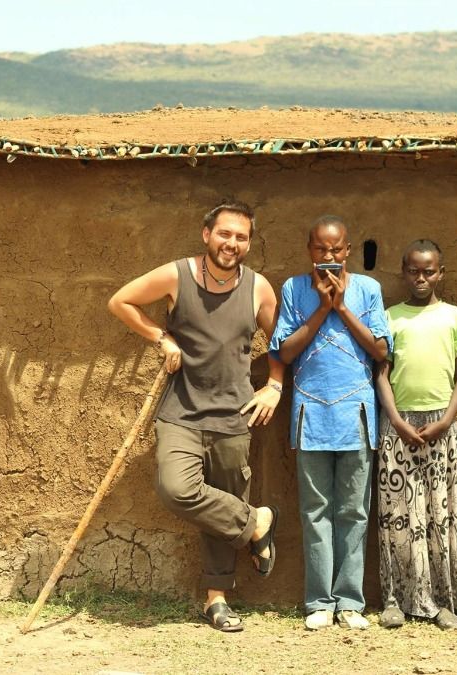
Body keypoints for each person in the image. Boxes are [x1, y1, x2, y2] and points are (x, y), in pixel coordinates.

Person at [108, 201, 285, 633]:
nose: (232, 243)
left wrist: (275, 385)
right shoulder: (177, 275)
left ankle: (216, 600)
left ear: (248, 242)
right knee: (176, 488)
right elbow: (121, 301)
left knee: (217, 509)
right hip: (181, 412)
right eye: (225, 234)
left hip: (234, 415)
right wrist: (160, 338)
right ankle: (255, 521)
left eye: (241, 237)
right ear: (207, 234)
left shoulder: (258, 287)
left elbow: (280, 341)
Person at [270, 215, 390, 631]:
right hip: (310, 416)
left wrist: (341, 306)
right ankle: (319, 601)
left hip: (356, 414)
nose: (329, 257)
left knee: (354, 511)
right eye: (321, 249)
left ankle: (350, 602)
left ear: (349, 249)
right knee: (314, 510)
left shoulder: (369, 290)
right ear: (309, 250)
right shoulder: (293, 289)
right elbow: (284, 353)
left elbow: (379, 351)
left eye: (336, 249)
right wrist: (323, 308)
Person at [374, 239, 457, 630]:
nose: (421, 279)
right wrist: (397, 421)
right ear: (403, 272)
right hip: (398, 425)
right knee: (397, 515)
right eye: (413, 271)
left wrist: (445, 421)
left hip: (443, 426)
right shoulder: (389, 318)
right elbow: (381, 376)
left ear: (441, 273)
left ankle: (443, 600)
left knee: (442, 513)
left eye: (429, 271)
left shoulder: (456, 317)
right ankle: (395, 599)